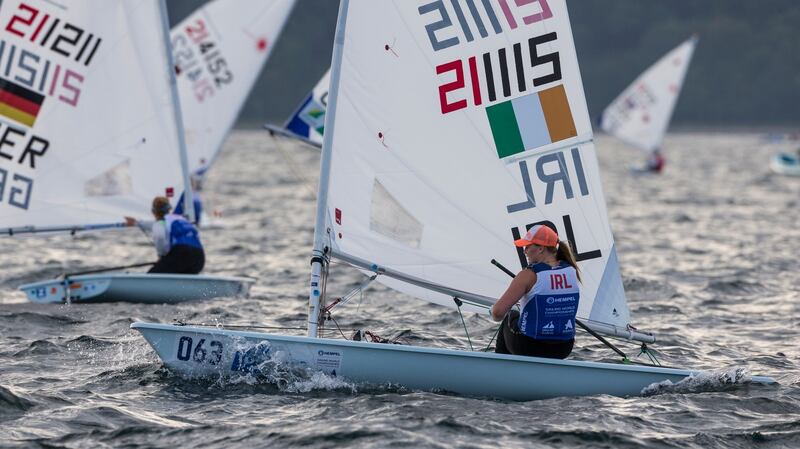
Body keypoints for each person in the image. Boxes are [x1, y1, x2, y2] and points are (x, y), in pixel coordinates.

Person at [490, 224, 581, 359]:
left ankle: (500, 374)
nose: (524, 251)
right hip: (563, 348)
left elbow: (497, 314)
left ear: (540, 248)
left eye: (527, 246)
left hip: (530, 347)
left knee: (510, 316)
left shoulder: (528, 275)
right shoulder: (572, 271)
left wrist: (492, 311)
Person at [126, 196, 205, 274]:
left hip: (183, 253)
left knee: (152, 275)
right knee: (178, 274)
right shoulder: (179, 219)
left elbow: (160, 236)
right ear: (168, 209)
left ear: (153, 211)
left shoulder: (161, 223)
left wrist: (162, 256)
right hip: (199, 257)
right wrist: (137, 223)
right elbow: (156, 225)